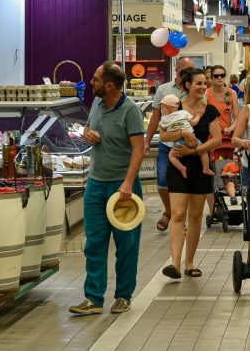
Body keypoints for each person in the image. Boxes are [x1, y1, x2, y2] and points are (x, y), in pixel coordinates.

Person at [69, 62, 144, 316]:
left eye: (96, 79)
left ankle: (123, 296)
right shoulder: (97, 104)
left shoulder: (130, 111)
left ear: (109, 85)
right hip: (95, 184)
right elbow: (88, 127)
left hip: (123, 187)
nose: (91, 83)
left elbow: (138, 149)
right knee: (94, 243)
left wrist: (128, 183)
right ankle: (93, 298)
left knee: (126, 244)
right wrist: (87, 133)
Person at [160, 69, 223, 280]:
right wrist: (183, 133)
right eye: (199, 83)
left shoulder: (210, 111)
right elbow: (164, 134)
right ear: (187, 86)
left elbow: (217, 139)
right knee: (178, 214)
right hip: (178, 165)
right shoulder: (176, 108)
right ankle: (175, 264)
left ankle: (189, 262)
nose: (203, 87)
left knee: (195, 216)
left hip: (201, 166)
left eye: (205, 83)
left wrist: (194, 150)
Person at [144, 57, 194, 233]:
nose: (190, 72)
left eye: (192, 69)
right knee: (163, 182)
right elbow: (155, 117)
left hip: (188, 145)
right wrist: (147, 141)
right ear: (177, 69)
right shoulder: (164, 89)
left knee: (185, 182)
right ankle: (169, 211)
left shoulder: (194, 89)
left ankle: (179, 218)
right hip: (167, 143)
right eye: (187, 69)